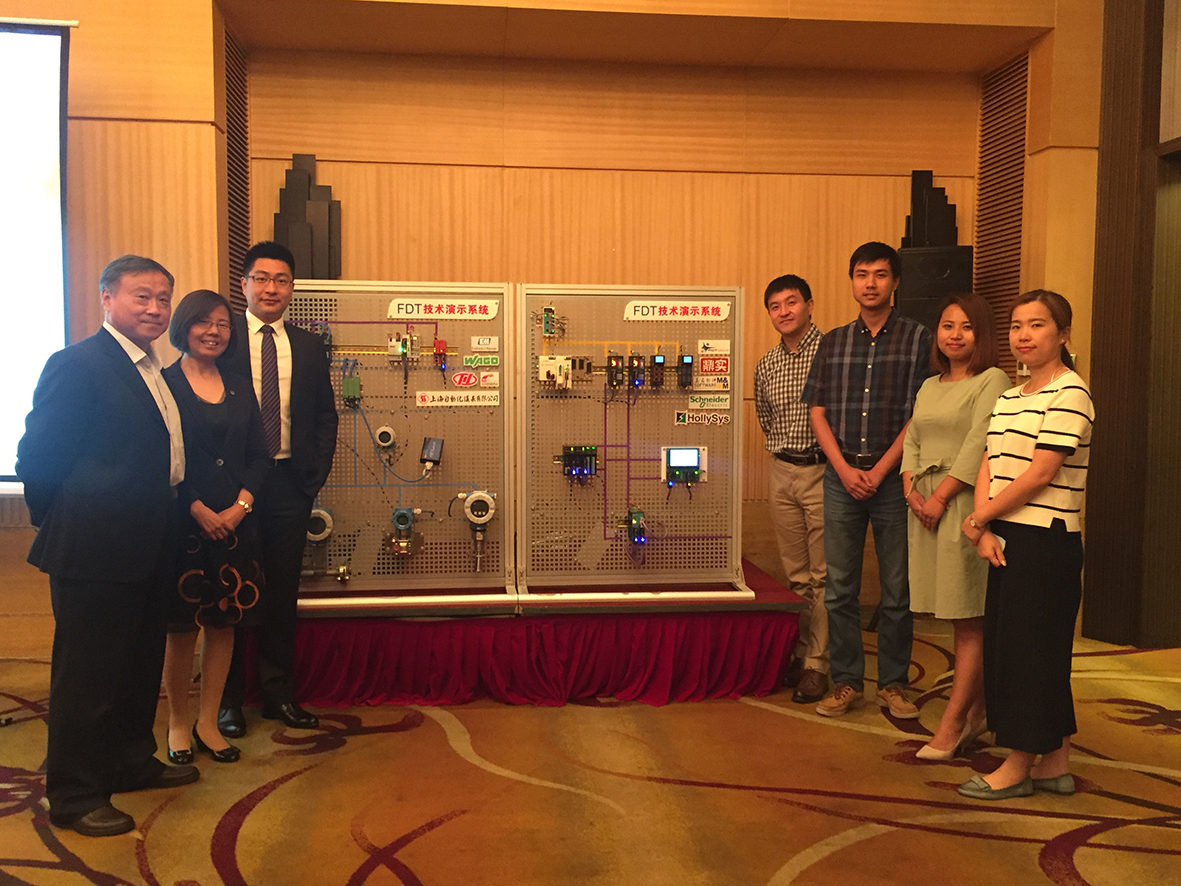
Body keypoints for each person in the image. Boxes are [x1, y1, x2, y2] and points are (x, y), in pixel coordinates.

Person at [16, 255, 198, 837]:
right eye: (142, 296)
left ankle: (128, 762)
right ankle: (74, 794)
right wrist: (68, 519)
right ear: (107, 298)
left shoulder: (151, 367)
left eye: (164, 298)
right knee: (88, 677)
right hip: (94, 547)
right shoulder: (78, 364)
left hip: (150, 541)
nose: (155, 308)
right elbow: (37, 458)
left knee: (137, 666)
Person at [958, 290, 1093, 800]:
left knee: (1032, 654)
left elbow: (1041, 473)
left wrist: (979, 517)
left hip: (1047, 539)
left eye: (1037, 325)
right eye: (1016, 325)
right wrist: (985, 527)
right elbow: (989, 461)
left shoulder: (1071, 392)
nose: (1024, 335)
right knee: (1017, 649)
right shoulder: (1011, 396)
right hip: (1006, 534)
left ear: (1063, 333)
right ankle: (1055, 763)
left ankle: (1018, 764)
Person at [802, 241, 934, 718]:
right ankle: (847, 683)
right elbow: (817, 411)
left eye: (880, 274)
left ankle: (893, 685)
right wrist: (842, 468)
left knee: (897, 591)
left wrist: (879, 471)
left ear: (895, 281)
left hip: (894, 479)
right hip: (841, 478)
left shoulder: (919, 339)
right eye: (862, 274)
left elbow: (922, 413)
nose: (871, 283)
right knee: (840, 588)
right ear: (852, 281)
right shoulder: (833, 341)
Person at [218, 242, 338, 736]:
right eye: (262, 279)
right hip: (233, 487)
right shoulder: (223, 339)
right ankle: (226, 700)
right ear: (244, 285)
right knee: (230, 589)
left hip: (290, 483)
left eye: (282, 280)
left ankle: (277, 694)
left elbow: (325, 415)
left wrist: (313, 477)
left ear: (292, 288)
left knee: (282, 591)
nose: (272, 288)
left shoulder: (308, 346)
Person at [162, 290, 271, 765]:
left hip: (235, 525)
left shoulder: (240, 384)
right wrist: (196, 507)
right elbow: (160, 455)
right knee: (182, 629)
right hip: (185, 525)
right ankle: (178, 723)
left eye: (223, 324)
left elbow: (260, 455)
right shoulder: (164, 383)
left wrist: (240, 507)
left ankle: (209, 721)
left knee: (225, 625)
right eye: (203, 322)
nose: (214, 331)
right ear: (183, 327)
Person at [900, 294, 1009, 758]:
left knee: (969, 619)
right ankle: (979, 709)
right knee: (952, 615)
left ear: (981, 334)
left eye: (966, 327)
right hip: (923, 504)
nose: (955, 335)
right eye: (947, 326)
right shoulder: (930, 384)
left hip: (964, 505)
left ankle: (954, 722)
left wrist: (941, 497)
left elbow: (978, 443)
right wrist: (910, 490)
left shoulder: (992, 380)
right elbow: (913, 438)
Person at [753, 274, 829, 704]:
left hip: (823, 471)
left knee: (824, 576)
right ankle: (801, 655)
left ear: (809, 305)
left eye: (792, 302)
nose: (784, 312)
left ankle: (818, 664)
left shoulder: (832, 352)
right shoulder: (766, 364)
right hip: (782, 470)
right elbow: (767, 418)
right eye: (775, 306)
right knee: (797, 576)